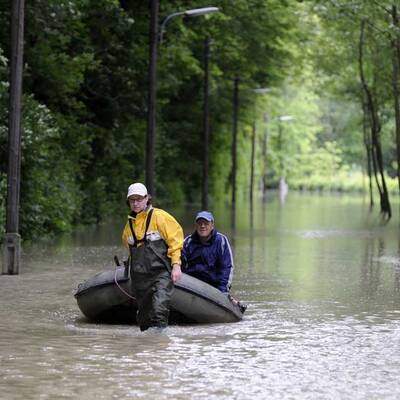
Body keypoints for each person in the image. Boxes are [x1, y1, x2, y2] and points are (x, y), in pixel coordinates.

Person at [122, 182, 183, 331]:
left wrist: (176, 265)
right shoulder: (128, 227)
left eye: (139, 199)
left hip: (161, 273)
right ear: (129, 202)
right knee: (144, 319)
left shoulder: (160, 217)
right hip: (140, 278)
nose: (136, 203)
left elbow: (176, 241)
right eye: (132, 200)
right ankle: (146, 348)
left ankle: (160, 345)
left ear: (146, 199)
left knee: (159, 309)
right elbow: (129, 250)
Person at [182, 211, 234, 294]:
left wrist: (222, 291)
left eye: (206, 223)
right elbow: (179, 264)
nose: (202, 226)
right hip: (191, 285)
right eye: (200, 223)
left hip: (213, 287)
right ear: (196, 226)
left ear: (212, 226)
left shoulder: (221, 241)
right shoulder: (187, 242)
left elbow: (226, 267)